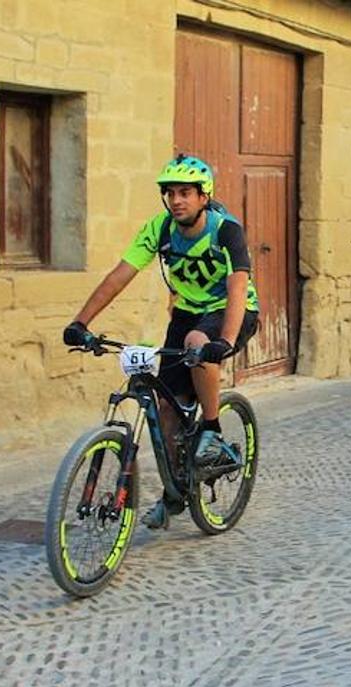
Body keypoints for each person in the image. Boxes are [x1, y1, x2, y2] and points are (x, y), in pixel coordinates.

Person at [64, 154, 260, 529]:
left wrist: (226, 340)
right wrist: (81, 322)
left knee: (197, 339)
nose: (177, 201)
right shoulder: (161, 228)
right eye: (170, 194)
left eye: (185, 193)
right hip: (188, 311)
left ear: (204, 196)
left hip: (233, 311)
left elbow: (238, 285)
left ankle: (214, 431)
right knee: (167, 410)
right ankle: (174, 495)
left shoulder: (225, 229)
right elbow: (121, 274)